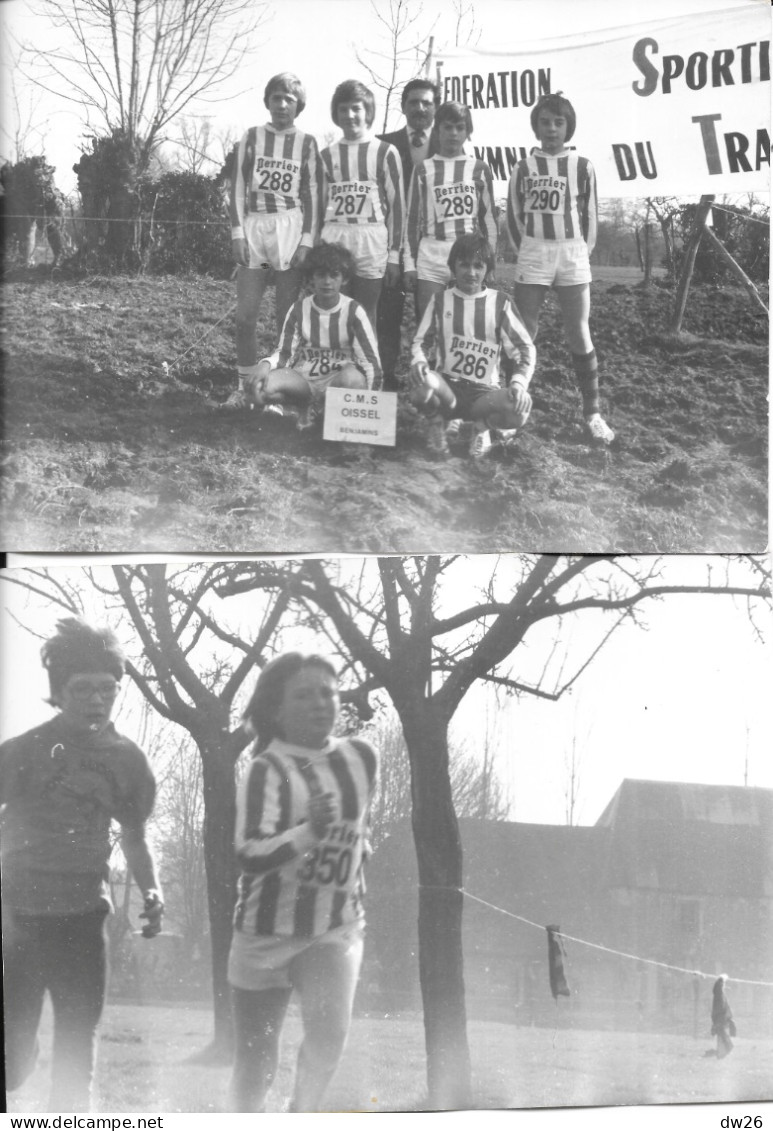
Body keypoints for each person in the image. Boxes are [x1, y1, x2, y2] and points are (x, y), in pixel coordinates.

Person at [0, 618, 163, 1113]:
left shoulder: (128, 762)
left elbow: (134, 837)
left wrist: (154, 890)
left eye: (107, 689)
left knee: (78, 1040)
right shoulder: (23, 751)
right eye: (83, 689)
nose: (96, 700)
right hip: (19, 918)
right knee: (12, 1066)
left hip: (83, 918)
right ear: (59, 692)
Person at [227, 653, 378, 1113]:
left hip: (333, 925)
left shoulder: (362, 758)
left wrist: (354, 861)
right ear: (276, 709)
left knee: (329, 1035)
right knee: (256, 1065)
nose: (320, 703)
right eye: (303, 694)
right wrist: (309, 832)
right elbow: (249, 852)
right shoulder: (266, 769)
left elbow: (359, 832)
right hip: (264, 930)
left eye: (327, 692)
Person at [505, 91, 615, 444]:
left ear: (568, 127)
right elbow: (513, 215)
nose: (551, 129)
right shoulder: (522, 167)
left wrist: (582, 251)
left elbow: (590, 217)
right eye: (544, 122)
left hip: (571, 253)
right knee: (524, 331)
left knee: (578, 330)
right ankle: (509, 410)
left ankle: (592, 413)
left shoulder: (582, 166)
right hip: (535, 251)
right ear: (535, 126)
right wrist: (527, 248)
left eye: (558, 122)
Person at [226, 72, 322, 409]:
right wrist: (237, 232)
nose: (282, 105)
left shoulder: (307, 143)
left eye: (289, 100)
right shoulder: (251, 138)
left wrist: (307, 242)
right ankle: (244, 387)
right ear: (267, 101)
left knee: (286, 321)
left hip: (289, 229)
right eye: (277, 98)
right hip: (255, 228)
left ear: (299, 106)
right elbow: (237, 187)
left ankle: (277, 391)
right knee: (245, 317)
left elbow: (312, 196)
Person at [410, 233, 535, 460]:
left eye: (478, 266)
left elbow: (525, 348)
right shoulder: (440, 300)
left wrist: (519, 383)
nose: (471, 272)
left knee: (519, 412)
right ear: (453, 267)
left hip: (483, 393)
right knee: (420, 385)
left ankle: (482, 427)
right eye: (464, 265)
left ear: (487, 269)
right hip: (449, 390)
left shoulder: (501, 302)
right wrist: (419, 361)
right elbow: (421, 341)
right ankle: (437, 424)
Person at [246, 242, 382, 430]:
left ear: (344, 279)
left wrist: (373, 404)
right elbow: (285, 353)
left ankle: (326, 415)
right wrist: (265, 364)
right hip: (305, 381)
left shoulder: (354, 311)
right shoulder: (299, 309)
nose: (327, 282)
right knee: (259, 389)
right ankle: (302, 408)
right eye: (321, 275)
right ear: (311, 278)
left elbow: (371, 362)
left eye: (334, 275)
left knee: (354, 380)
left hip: (338, 381)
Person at [319, 80, 405, 333]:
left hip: (371, 239)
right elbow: (318, 207)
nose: (350, 115)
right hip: (335, 238)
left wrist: (394, 256)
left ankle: (368, 371)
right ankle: (335, 371)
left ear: (367, 111)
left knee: (366, 315)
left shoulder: (386, 152)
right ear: (336, 113)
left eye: (356, 108)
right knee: (333, 311)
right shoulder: (326, 156)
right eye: (343, 109)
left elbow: (398, 207)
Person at [404, 100, 498, 321]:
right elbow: (410, 221)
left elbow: (489, 220)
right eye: (447, 127)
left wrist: (490, 261)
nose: (453, 133)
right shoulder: (423, 169)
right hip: (432, 255)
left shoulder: (479, 168)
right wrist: (409, 264)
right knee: (431, 323)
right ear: (437, 130)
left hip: (468, 255)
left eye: (460, 127)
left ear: (468, 132)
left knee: (465, 324)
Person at [376, 77, 440, 391]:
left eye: (427, 102)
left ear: (435, 108)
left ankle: (431, 379)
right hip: (390, 244)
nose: (420, 108)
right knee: (387, 314)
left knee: (433, 317)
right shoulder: (383, 144)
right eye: (414, 102)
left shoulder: (450, 144)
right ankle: (385, 375)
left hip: (431, 247)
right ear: (403, 106)